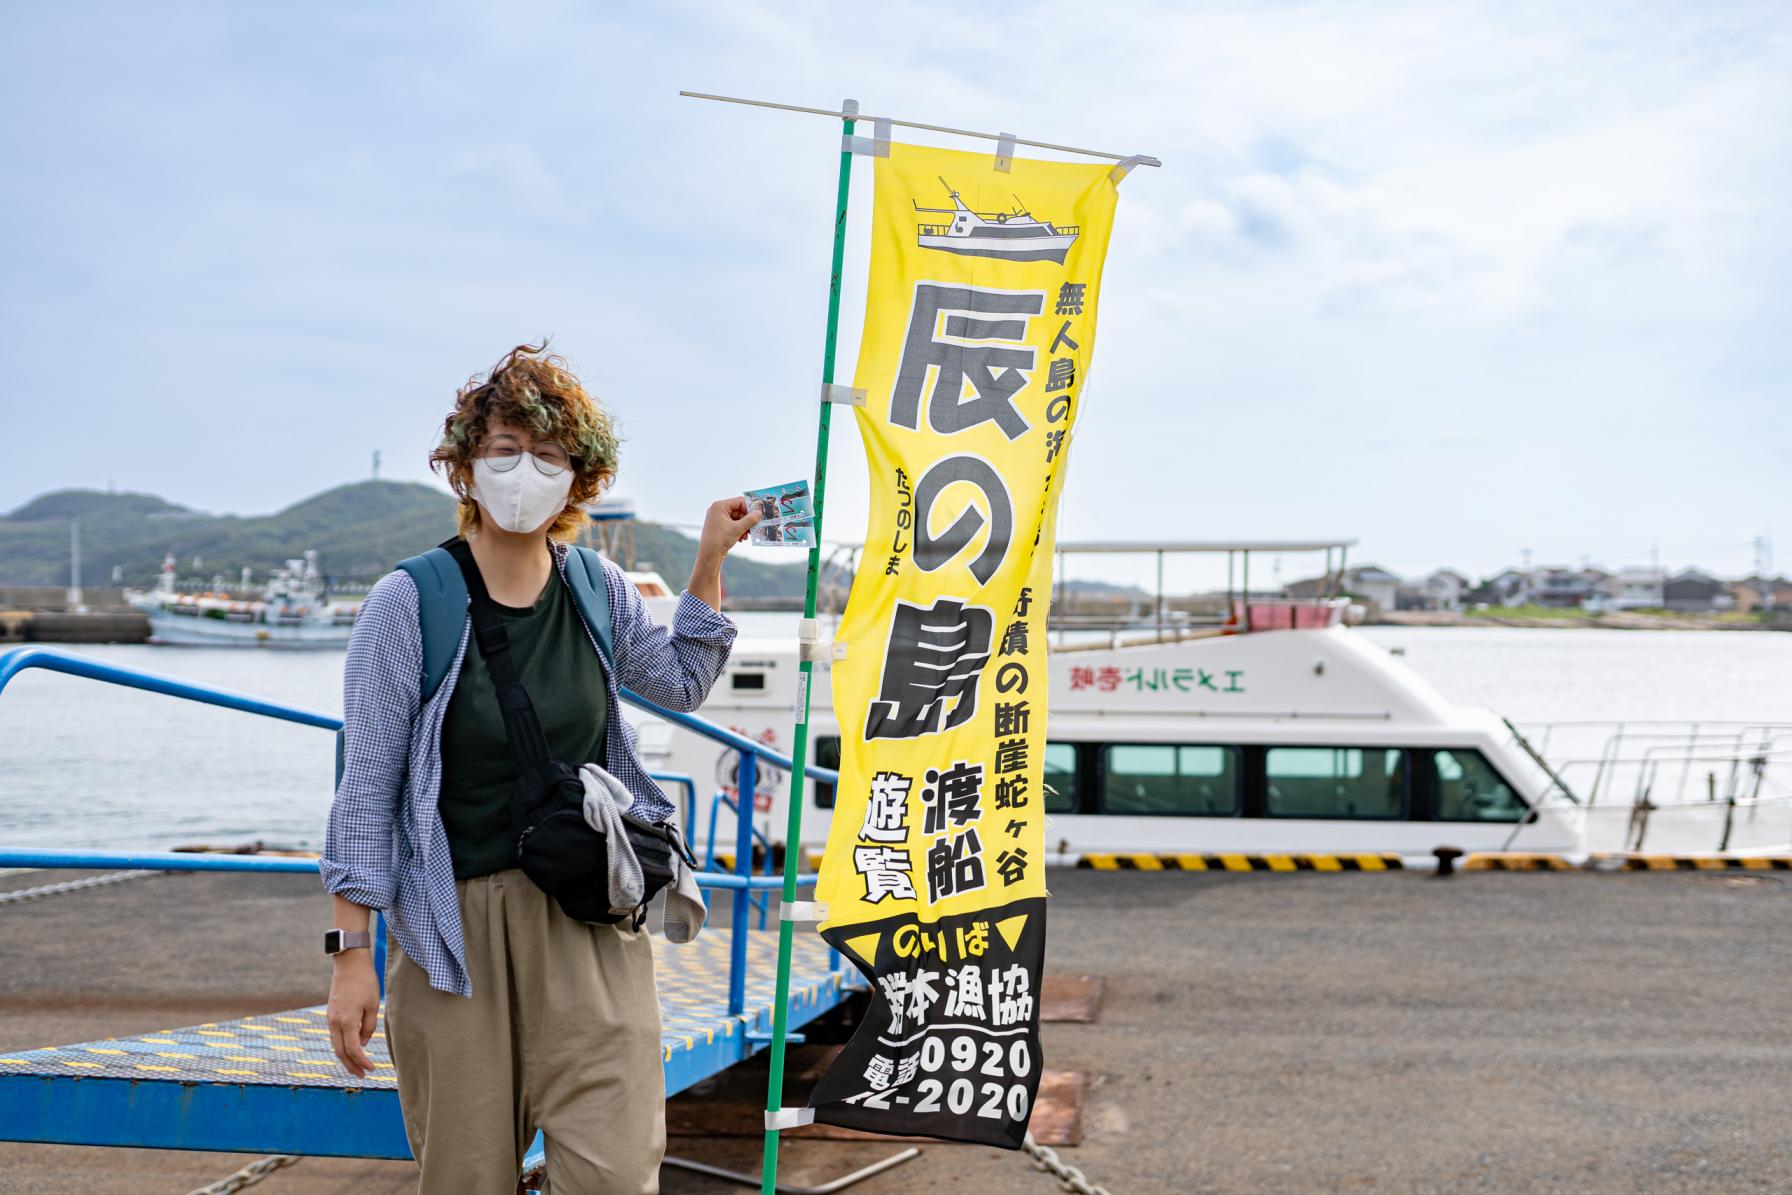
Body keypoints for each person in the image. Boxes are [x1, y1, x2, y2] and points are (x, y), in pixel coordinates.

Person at [319, 342, 759, 1193]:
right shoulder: (407, 602)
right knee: (466, 1175)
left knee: (614, 1169)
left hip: (589, 914)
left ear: (579, 478)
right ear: (465, 467)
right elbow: (366, 789)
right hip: (454, 934)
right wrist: (350, 954)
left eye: (549, 455)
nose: (526, 471)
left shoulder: (598, 587)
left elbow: (680, 680)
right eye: (505, 450)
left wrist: (710, 562)